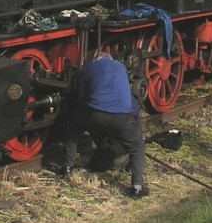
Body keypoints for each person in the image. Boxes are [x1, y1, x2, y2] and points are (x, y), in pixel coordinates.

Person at [61, 51, 148, 198]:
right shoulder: (121, 68)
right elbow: (132, 104)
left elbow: (82, 99)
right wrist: (135, 129)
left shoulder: (88, 69)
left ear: (96, 60)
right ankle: (137, 187)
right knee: (137, 146)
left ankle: (67, 167)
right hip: (122, 118)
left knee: (73, 127)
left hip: (94, 113)